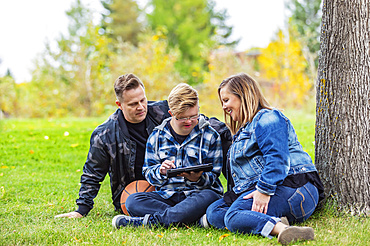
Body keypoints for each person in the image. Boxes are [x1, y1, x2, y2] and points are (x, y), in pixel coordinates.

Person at [205, 73, 325, 245]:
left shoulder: (268, 117)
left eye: (226, 100)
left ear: (243, 95)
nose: (224, 107)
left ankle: (283, 230)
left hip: (296, 188)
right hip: (276, 190)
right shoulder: (244, 131)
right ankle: (273, 220)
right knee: (215, 211)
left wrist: (263, 190)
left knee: (232, 216)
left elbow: (278, 159)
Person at [55, 73, 171, 218]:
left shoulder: (165, 113)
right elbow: (93, 173)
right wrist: (81, 210)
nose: (140, 107)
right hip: (133, 197)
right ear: (119, 105)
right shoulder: (104, 134)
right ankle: (180, 213)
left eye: (143, 100)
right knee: (134, 203)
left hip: (169, 187)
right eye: (133, 104)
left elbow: (193, 121)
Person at [112, 83, 224, 228]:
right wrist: (160, 171)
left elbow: (214, 177)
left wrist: (197, 178)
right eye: (183, 118)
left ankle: (149, 222)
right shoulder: (156, 137)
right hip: (167, 196)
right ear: (171, 113)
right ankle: (192, 219)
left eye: (193, 116)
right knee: (132, 201)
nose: (189, 121)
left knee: (211, 196)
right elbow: (148, 173)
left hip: (198, 195)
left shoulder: (210, 136)